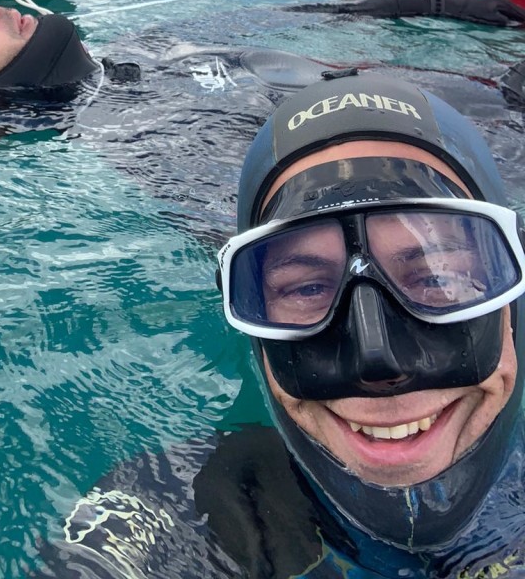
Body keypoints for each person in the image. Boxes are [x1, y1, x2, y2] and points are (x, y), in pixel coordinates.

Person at [32, 70, 525, 577]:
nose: (379, 360)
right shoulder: (180, 506)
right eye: (308, 289)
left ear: (514, 298)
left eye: (436, 276)